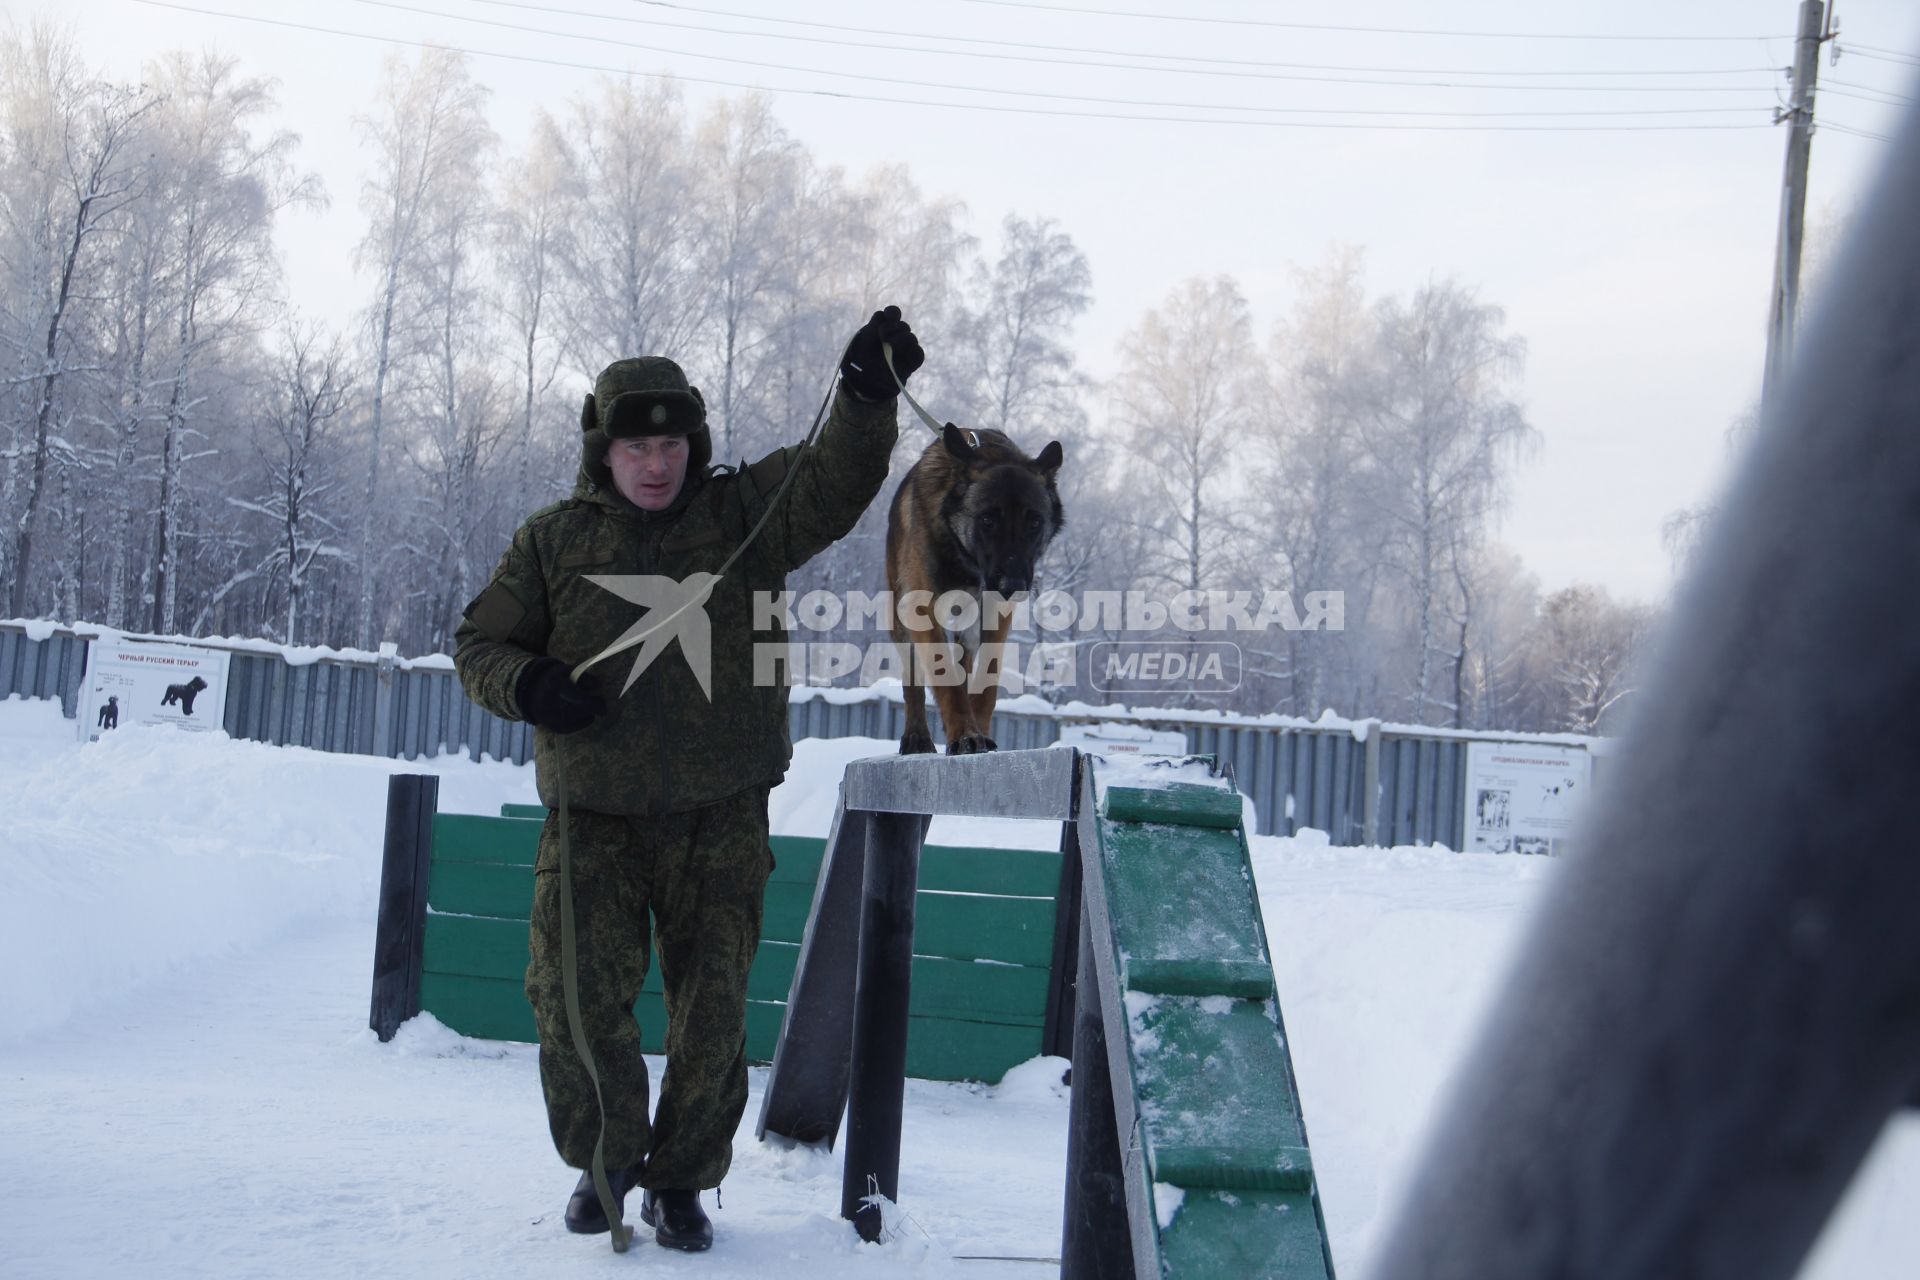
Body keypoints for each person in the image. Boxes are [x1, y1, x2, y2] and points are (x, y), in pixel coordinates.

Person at [453, 308, 923, 1251]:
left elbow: (831, 479)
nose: (656, 463)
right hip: (594, 820)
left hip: (721, 815)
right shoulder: (552, 543)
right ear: (605, 451)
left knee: (712, 1016)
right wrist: (532, 683)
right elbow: (478, 644)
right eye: (637, 445)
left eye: (670, 443)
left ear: (691, 445)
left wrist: (867, 396)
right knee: (575, 1002)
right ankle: (608, 1163)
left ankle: (681, 1184)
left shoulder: (741, 514)